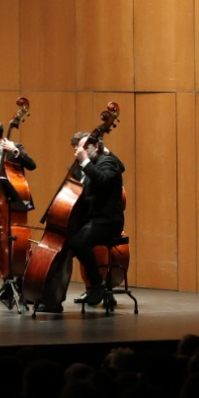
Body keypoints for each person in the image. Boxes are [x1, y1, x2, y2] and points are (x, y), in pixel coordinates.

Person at [67, 131, 126, 306]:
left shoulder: (108, 162)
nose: (82, 151)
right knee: (65, 245)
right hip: (91, 220)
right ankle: (52, 296)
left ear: (97, 147)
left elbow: (103, 180)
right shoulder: (82, 167)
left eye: (86, 148)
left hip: (107, 221)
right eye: (79, 148)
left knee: (78, 243)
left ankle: (96, 285)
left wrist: (84, 160)